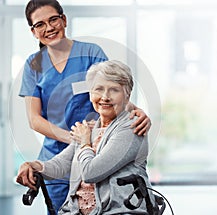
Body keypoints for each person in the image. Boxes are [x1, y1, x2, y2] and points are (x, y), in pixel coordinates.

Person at [19, 0, 151, 213]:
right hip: (59, 152)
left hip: (98, 149)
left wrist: (138, 112)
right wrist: (77, 140)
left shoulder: (90, 52)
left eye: (53, 19)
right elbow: (34, 119)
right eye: (40, 24)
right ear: (34, 32)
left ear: (64, 20)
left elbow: (110, 90)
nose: (49, 28)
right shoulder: (33, 64)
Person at [17, 60, 156, 214]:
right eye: (98, 89)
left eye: (114, 90)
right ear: (90, 94)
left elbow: (91, 173)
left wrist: (84, 141)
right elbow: (61, 164)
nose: (105, 97)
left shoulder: (131, 127)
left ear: (127, 95)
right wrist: (35, 166)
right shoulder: (92, 128)